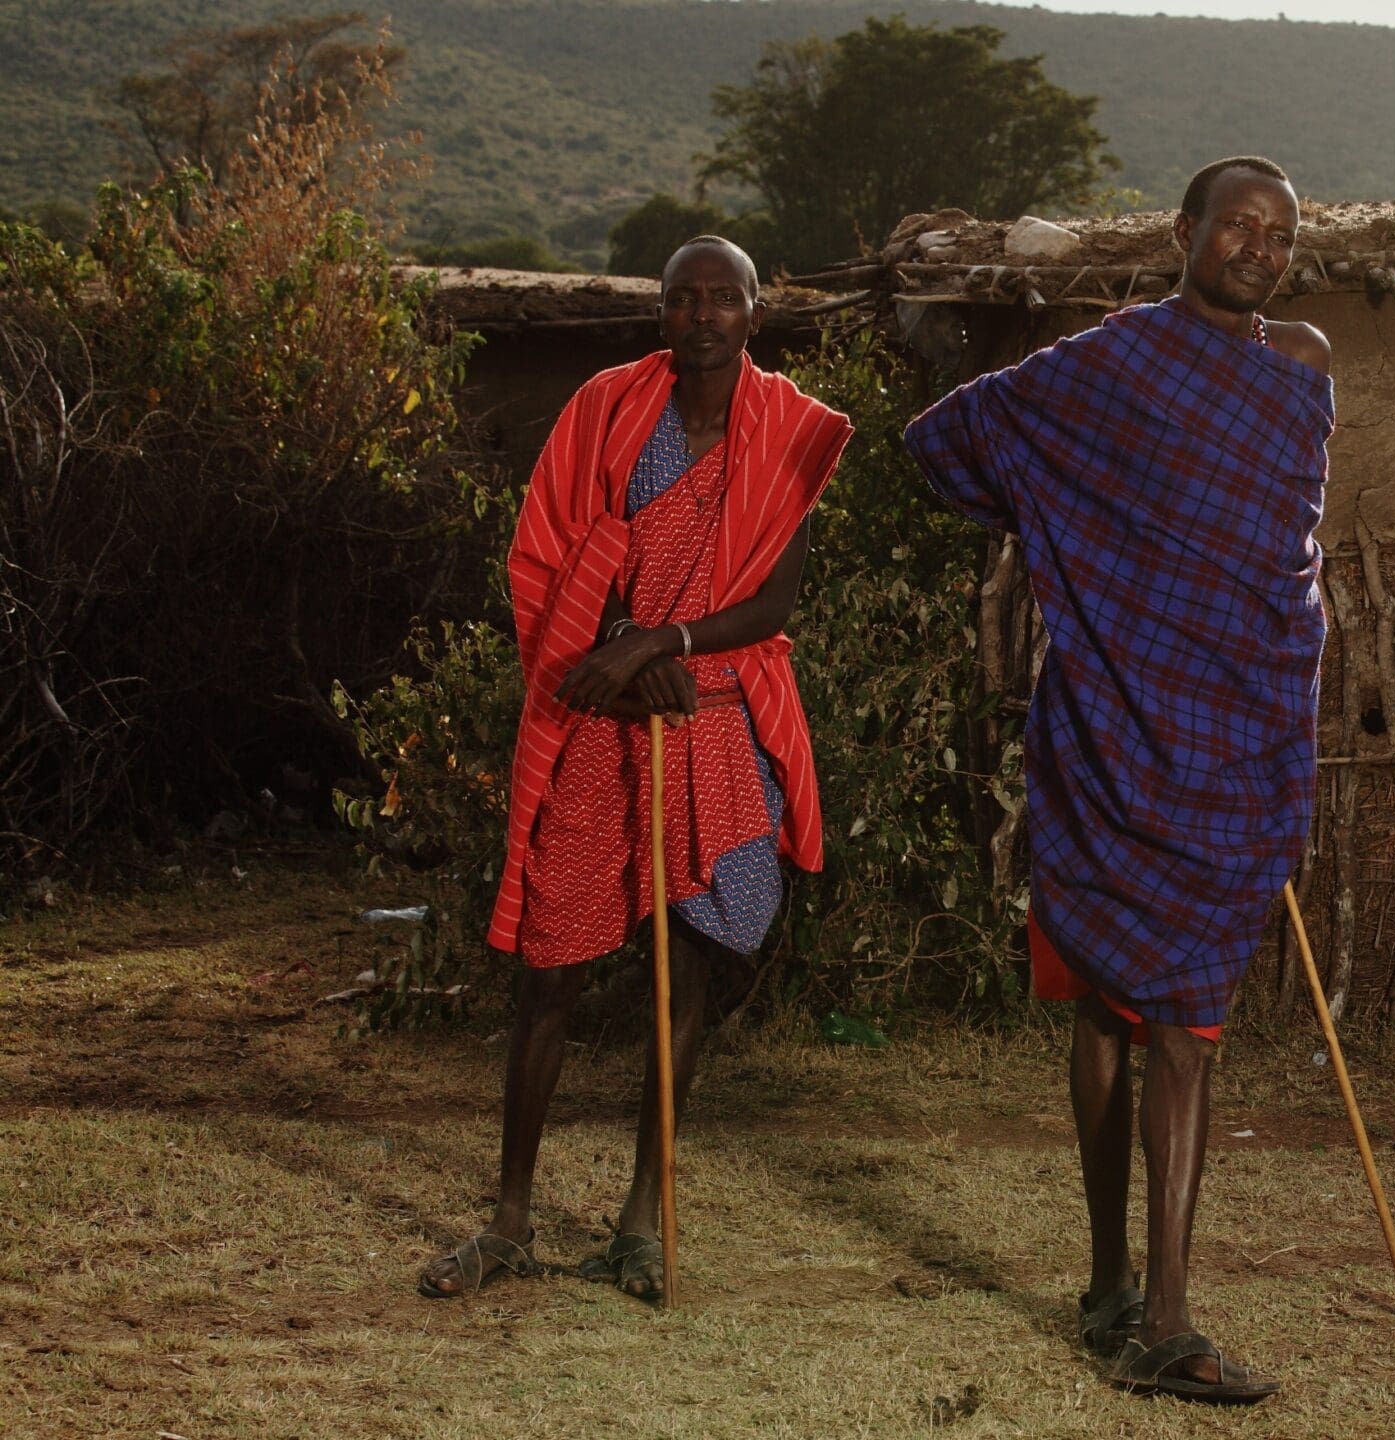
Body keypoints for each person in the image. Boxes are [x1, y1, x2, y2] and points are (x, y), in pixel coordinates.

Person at [904, 156, 1330, 1402]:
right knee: (1102, 1007)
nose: (1258, 247)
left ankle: (1163, 1314)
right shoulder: (1105, 364)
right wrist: (1063, 519)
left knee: (1186, 1029)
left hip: (1232, 729)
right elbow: (947, 445)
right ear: (1183, 234)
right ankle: (1111, 1289)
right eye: (1236, 226)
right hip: (1110, 723)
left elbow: (1283, 538)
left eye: (1277, 234)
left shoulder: (1299, 368)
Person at [418, 236, 851, 1304]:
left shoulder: (789, 433)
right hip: (596, 707)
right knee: (548, 964)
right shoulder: (605, 410)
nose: (701, 315)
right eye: (682, 298)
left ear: (756, 312)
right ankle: (511, 1219)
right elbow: (545, 552)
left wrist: (668, 645)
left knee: (687, 960)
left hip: (707, 709)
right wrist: (616, 643)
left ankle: (640, 1222)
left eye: (722, 299)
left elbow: (774, 601)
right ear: (661, 313)